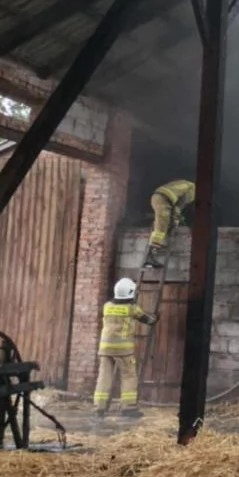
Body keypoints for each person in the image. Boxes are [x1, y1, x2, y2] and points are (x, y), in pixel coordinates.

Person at [93, 277, 157, 418]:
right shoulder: (131, 309)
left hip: (105, 348)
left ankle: (99, 407)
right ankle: (128, 407)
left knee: (104, 377)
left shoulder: (107, 306)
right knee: (128, 376)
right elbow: (148, 319)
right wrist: (155, 317)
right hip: (123, 350)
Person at [145, 178, 195, 268]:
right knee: (161, 228)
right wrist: (176, 219)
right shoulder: (194, 190)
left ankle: (154, 248)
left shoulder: (186, 184)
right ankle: (150, 255)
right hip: (163, 200)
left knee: (162, 223)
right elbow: (180, 204)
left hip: (158, 197)